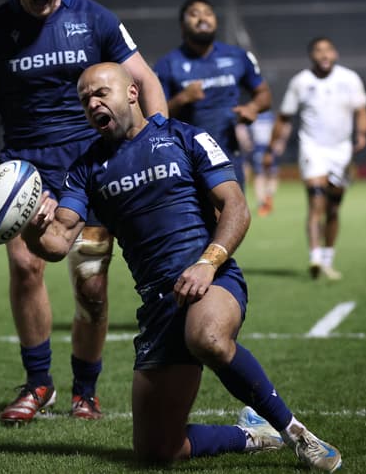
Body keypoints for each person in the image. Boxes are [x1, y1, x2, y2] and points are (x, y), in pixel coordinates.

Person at [23, 62, 342, 471]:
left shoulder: (184, 137)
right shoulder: (86, 169)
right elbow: (58, 241)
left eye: (101, 92)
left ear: (133, 93)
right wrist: (32, 225)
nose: (93, 103)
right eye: (85, 99)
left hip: (212, 278)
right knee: (157, 451)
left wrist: (208, 264)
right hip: (158, 306)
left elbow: (236, 206)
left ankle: (297, 434)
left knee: (208, 337)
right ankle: (252, 435)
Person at [0, 0, 167, 423]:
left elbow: (144, 81)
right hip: (24, 168)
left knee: (91, 286)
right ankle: (39, 384)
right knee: (25, 268)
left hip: (91, 165)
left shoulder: (95, 18)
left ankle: (86, 389)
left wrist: (156, 140)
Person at [266, 37, 366, 281]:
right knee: (316, 200)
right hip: (312, 148)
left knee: (333, 208)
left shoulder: (350, 79)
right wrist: (271, 148)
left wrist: (362, 133)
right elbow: (284, 117)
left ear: (335, 54)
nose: (324, 55)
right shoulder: (301, 82)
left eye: (328, 50)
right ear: (311, 56)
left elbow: (362, 110)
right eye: (318, 51)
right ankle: (314, 256)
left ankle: (328, 259)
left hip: (341, 151)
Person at [154, 0, 271, 187]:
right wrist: (183, 98)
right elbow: (155, 116)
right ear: (182, 26)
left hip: (227, 154)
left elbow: (264, 94)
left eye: (208, 13)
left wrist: (253, 107)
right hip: (185, 157)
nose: (202, 18)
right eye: (194, 14)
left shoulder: (237, 56)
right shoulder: (167, 64)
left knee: (234, 213)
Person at [249, 110, 280, 216]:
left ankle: (267, 198)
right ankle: (263, 202)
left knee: (270, 174)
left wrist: (280, 142)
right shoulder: (254, 114)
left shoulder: (270, 116)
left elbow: (280, 129)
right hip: (260, 148)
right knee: (261, 175)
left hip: (269, 148)